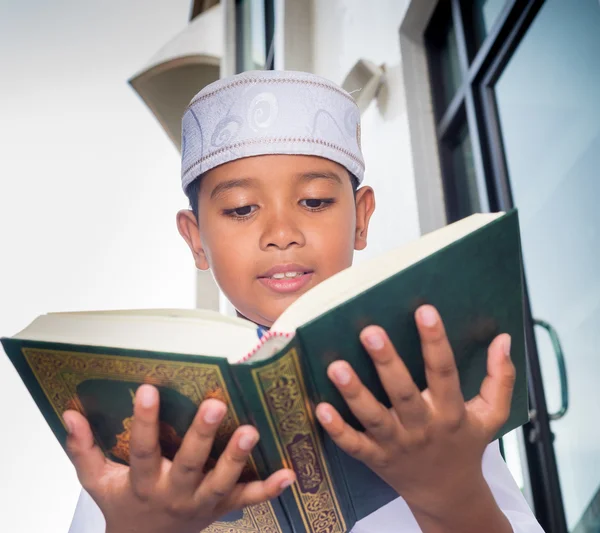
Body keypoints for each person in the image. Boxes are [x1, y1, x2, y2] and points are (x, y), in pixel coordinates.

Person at [65, 70, 543, 533]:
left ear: (361, 218)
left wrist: (451, 493)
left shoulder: (423, 399)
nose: (282, 235)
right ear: (195, 239)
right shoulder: (145, 438)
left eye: (314, 201)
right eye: (240, 209)